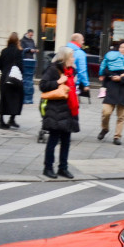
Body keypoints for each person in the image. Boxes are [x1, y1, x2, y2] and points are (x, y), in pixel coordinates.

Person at [39, 46, 78, 179]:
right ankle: (48, 168)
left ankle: (63, 167)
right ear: (65, 58)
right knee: (53, 140)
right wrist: (58, 82)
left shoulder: (72, 71)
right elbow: (43, 86)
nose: (73, 59)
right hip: (56, 110)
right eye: (71, 56)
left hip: (68, 110)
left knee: (66, 141)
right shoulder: (53, 70)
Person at [96, 40, 124, 143]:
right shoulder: (111, 60)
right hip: (111, 89)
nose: (123, 49)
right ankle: (105, 129)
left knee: (121, 116)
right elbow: (105, 70)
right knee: (106, 112)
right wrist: (114, 76)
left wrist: (121, 78)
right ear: (118, 49)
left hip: (123, 91)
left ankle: (117, 136)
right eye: (122, 47)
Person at [0, 32, 25, 129]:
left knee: (3, 99)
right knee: (17, 98)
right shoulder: (18, 51)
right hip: (15, 78)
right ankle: (12, 119)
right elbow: (20, 66)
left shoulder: (4, 51)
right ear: (17, 41)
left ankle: (1, 120)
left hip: (4, 78)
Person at [67, 32, 90, 96]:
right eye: (82, 40)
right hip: (73, 82)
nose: (83, 42)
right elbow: (82, 70)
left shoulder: (64, 49)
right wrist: (86, 84)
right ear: (77, 40)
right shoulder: (80, 53)